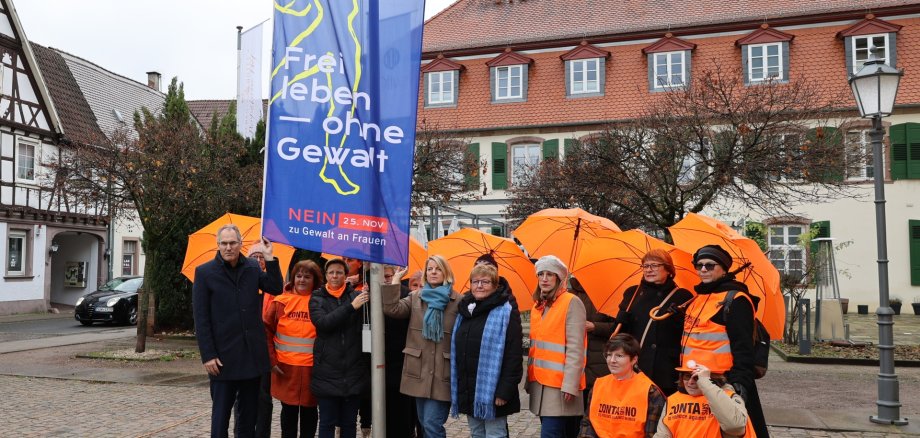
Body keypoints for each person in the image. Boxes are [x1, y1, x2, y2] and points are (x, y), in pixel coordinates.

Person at [193, 226, 283, 438]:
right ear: (218, 245)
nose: (228, 247)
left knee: (248, 418)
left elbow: (275, 287)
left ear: (240, 244)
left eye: (233, 243)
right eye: (224, 243)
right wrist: (208, 355)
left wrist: (269, 258)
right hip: (222, 359)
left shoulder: (252, 267)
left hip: (251, 357)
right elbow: (201, 318)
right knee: (220, 418)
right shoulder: (204, 273)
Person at [684, 245, 768, 438]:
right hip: (693, 381)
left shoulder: (736, 300)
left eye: (710, 265)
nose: (703, 270)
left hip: (721, 383)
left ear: (723, 269)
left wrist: (740, 385)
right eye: (699, 265)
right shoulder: (698, 298)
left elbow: (743, 348)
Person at [382, 255, 461, 438]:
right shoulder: (416, 296)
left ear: (446, 272)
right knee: (424, 423)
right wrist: (395, 280)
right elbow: (392, 309)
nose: (433, 272)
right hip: (419, 371)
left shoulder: (458, 300)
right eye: (430, 269)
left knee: (432, 424)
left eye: (438, 268)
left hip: (442, 372)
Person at [450, 264, 523, 438]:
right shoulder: (465, 310)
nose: (479, 286)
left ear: (495, 285)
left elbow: (513, 355)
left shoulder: (505, 311)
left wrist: (504, 391)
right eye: (475, 282)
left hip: (493, 390)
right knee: (476, 433)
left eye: (485, 282)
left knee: (495, 434)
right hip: (469, 389)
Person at [611, 249, 693, 395]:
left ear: (668, 269)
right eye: (645, 266)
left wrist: (677, 318)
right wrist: (621, 320)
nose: (649, 270)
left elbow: (687, 334)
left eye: (654, 265)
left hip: (664, 368)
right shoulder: (632, 293)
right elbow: (618, 334)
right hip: (636, 365)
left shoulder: (682, 296)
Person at [309, 258, 369, 438]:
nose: (335, 276)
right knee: (327, 423)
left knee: (349, 423)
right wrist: (351, 307)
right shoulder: (317, 297)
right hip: (327, 372)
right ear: (326, 275)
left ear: (345, 275)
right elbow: (323, 323)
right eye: (331, 272)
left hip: (353, 372)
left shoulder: (356, 295)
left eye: (339, 272)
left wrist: (368, 284)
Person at [527, 255, 586, 438]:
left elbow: (576, 348)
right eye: (541, 274)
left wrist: (570, 384)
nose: (544, 279)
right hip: (540, 383)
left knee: (551, 434)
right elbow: (535, 347)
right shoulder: (538, 306)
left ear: (559, 278)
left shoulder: (571, 302)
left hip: (560, 385)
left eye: (550, 274)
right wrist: (529, 379)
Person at [264, 260, 322, 438]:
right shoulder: (280, 302)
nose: (302, 280)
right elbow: (266, 332)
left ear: (315, 280)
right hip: (285, 369)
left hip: (313, 370)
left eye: (307, 276)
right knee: (288, 413)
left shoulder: (321, 302)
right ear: (293, 278)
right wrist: (272, 361)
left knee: (310, 413)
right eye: (298, 276)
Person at [579, 334, 666, 438]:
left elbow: (652, 434)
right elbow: (587, 424)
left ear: (634, 359)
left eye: (619, 356)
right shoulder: (599, 385)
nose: (612, 360)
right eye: (609, 355)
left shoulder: (650, 391)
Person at [231, 243, 275, 438]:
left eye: (261, 257)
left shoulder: (271, 286)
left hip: (264, 350)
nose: (257, 260)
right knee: (241, 397)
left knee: (263, 398)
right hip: (242, 349)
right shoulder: (240, 284)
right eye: (254, 257)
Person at [654, 360, 754, 438]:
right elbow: (662, 435)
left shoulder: (730, 397)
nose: (690, 382)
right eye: (687, 376)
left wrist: (705, 382)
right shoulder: (673, 399)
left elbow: (735, 427)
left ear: (712, 378)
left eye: (696, 377)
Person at [380, 265, 421, 437]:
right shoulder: (369, 295)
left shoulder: (405, 295)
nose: (385, 280)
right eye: (382, 276)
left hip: (401, 362)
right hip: (379, 364)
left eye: (388, 276)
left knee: (403, 415)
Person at [567, 276, 616, 410]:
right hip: (574, 359)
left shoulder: (608, 295)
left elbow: (618, 326)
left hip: (599, 360)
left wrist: (595, 326)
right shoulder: (568, 295)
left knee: (596, 407)